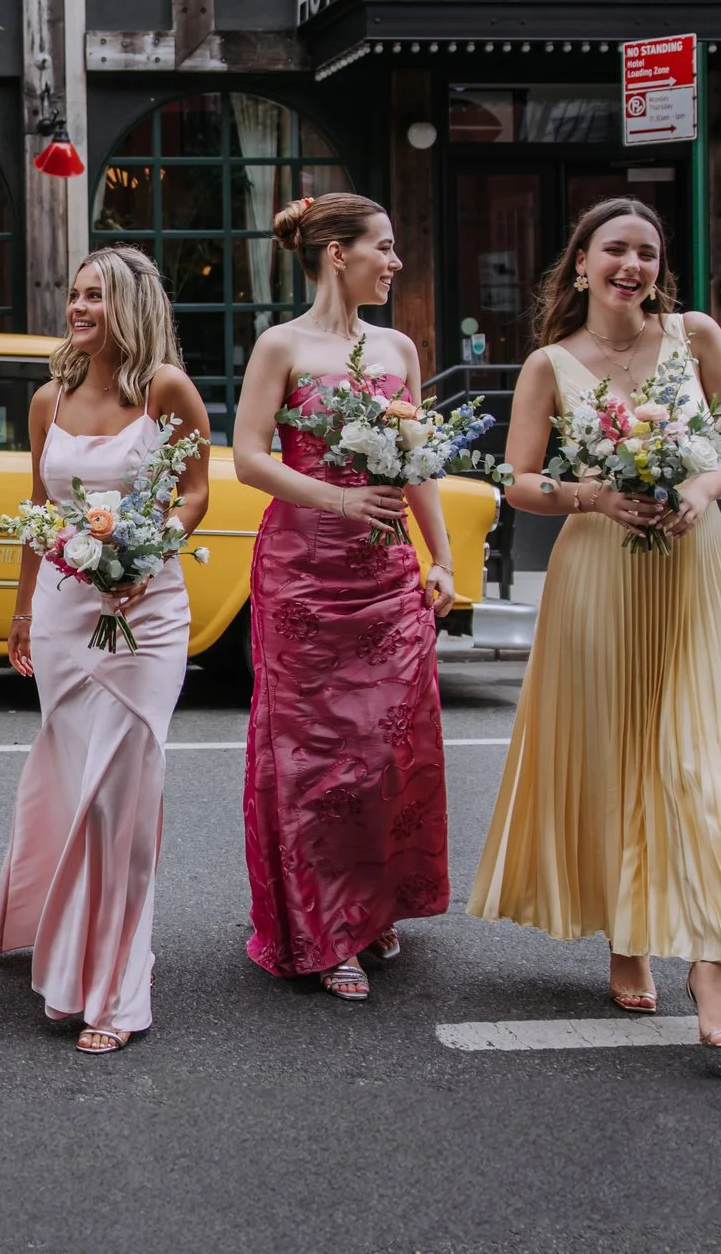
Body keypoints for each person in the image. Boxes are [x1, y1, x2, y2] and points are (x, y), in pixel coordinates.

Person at [468, 198, 721, 1048]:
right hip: (597, 577)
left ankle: (711, 966)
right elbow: (519, 481)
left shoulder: (696, 336)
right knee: (616, 759)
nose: (632, 265)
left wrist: (702, 486)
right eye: (615, 249)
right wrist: (597, 496)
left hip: (694, 570)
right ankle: (629, 937)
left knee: (699, 762)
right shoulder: (549, 364)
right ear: (582, 264)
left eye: (646, 252)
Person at [232, 193, 457, 1002]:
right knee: (317, 756)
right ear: (337, 252)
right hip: (302, 570)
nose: (395, 263)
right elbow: (249, 459)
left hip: (388, 571)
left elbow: (418, 461)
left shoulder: (397, 347)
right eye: (384, 248)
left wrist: (443, 557)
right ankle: (326, 928)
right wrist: (335, 500)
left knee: (385, 754)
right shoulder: (280, 345)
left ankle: (374, 904)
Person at [0, 247, 211, 1054]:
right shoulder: (49, 398)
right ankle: (68, 956)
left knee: (123, 800)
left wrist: (146, 554)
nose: (78, 307)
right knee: (74, 780)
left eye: (94, 295)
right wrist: (19, 608)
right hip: (61, 614)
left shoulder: (166, 391)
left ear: (130, 305)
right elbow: (37, 506)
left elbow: (196, 492)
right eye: (75, 293)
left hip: (146, 615)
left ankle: (116, 989)